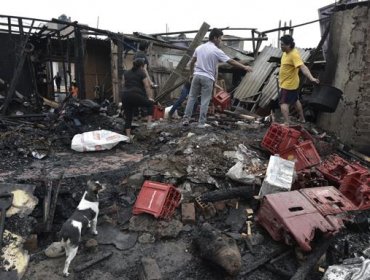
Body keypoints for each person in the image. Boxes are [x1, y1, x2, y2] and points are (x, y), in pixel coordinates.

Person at [182, 28, 253, 127]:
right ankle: (201, 123)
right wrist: (245, 67)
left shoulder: (199, 48)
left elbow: (192, 62)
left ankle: (186, 119)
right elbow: (230, 61)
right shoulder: (216, 50)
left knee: (191, 98)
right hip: (207, 78)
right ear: (215, 38)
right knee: (205, 100)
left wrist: (191, 74)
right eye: (220, 38)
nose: (221, 41)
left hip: (197, 76)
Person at [278, 34, 320, 125]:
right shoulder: (286, 53)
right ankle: (302, 119)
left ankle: (286, 123)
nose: (281, 46)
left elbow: (302, 67)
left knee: (283, 103)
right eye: (281, 44)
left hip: (288, 84)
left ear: (289, 45)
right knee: (295, 101)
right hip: (291, 83)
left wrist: (311, 78)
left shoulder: (293, 55)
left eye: (282, 44)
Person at [121, 58, 155, 140]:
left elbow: (123, 84)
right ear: (142, 66)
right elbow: (147, 86)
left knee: (128, 117)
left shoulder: (126, 73)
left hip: (125, 95)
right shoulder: (142, 72)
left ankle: (128, 137)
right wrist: (150, 97)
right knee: (151, 104)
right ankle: (149, 125)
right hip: (136, 95)